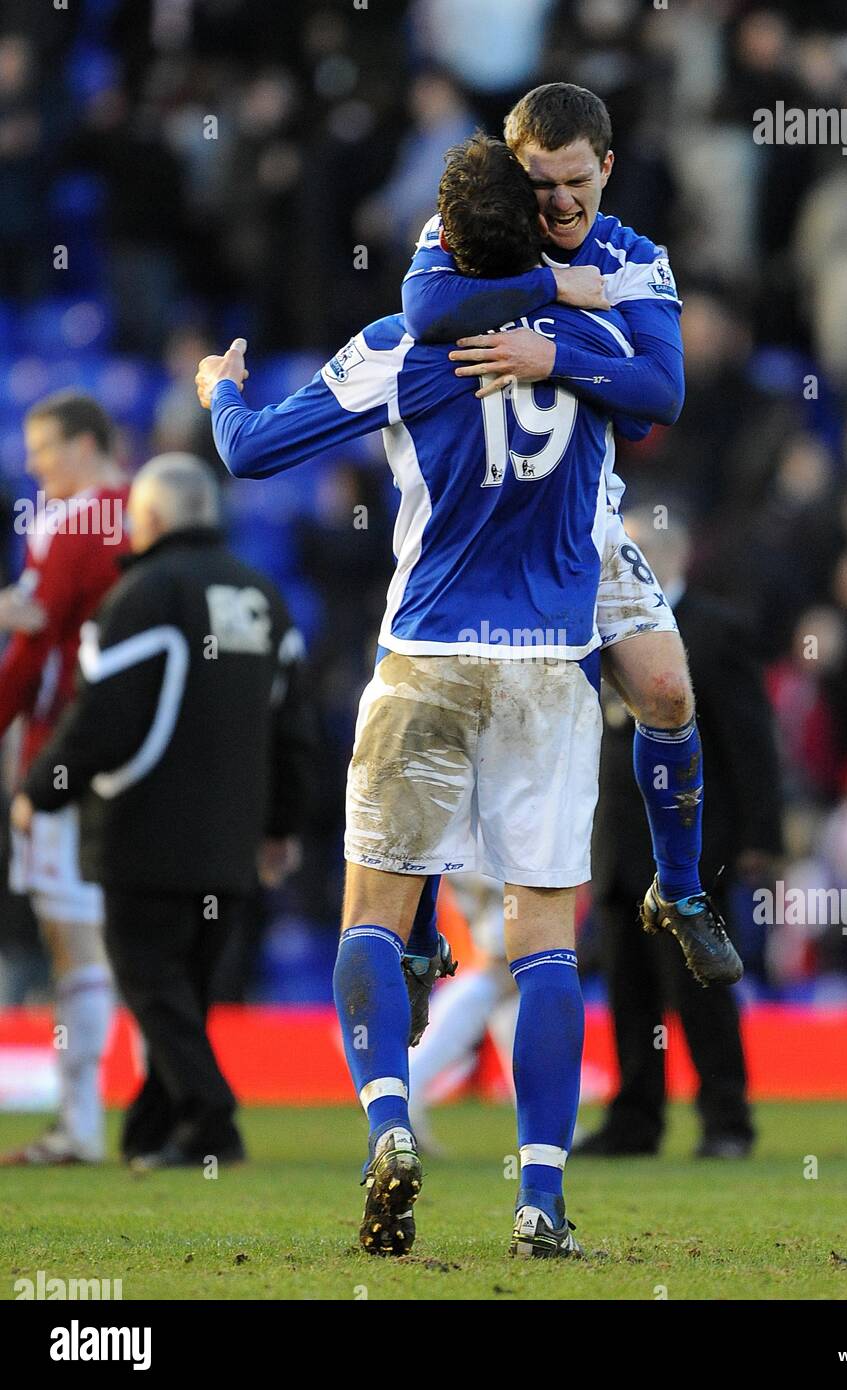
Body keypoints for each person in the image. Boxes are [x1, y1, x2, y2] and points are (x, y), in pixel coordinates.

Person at [194, 134, 646, 1260]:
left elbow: (250, 455)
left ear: (443, 238)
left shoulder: (400, 346)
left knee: (374, 919)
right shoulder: (591, 336)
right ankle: (541, 1197)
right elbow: (657, 394)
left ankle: (389, 1125)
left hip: (427, 653)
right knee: (543, 941)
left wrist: (220, 391)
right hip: (548, 666)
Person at [398, 83, 741, 1028]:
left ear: (608, 169)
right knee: (452, 727)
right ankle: (422, 929)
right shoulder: (467, 235)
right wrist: (552, 291)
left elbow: (659, 393)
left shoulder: (633, 256)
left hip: (582, 526)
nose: (557, 204)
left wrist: (552, 359)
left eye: (575, 182)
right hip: (475, 530)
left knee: (668, 693)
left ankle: (676, 890)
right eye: (539, 182)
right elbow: (422, 308)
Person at [10, 455, 314, 1169]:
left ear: (146, 519)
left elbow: (103, 717)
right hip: (232, 840)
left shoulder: (146, 593)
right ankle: (153, 1133)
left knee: (150, 982)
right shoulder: (262, 594)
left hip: (145, 830)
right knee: (184, 995)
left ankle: (212, 1127)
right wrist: (279, 827)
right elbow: (294, 729)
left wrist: (43, 786)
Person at [579, 510, 784, 1159]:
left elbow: (748, 741)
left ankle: (726, 1119)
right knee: (628, 991)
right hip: (615, 841)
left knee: (698, 990)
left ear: (666, 557)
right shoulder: (599, 631)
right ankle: (635, 1119)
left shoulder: (713, 631)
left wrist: (760, 834)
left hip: (691, 853)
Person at [0, 392, 129, 1166]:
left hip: (63, 755)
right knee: (117, 935)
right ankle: (154, 1109)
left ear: (84, 445)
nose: (36, 465)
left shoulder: (72, 521)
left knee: (71, 937)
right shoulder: (143, 507)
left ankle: (79, 1124)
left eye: (45, 448)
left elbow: (32, 650)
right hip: (138, 755)